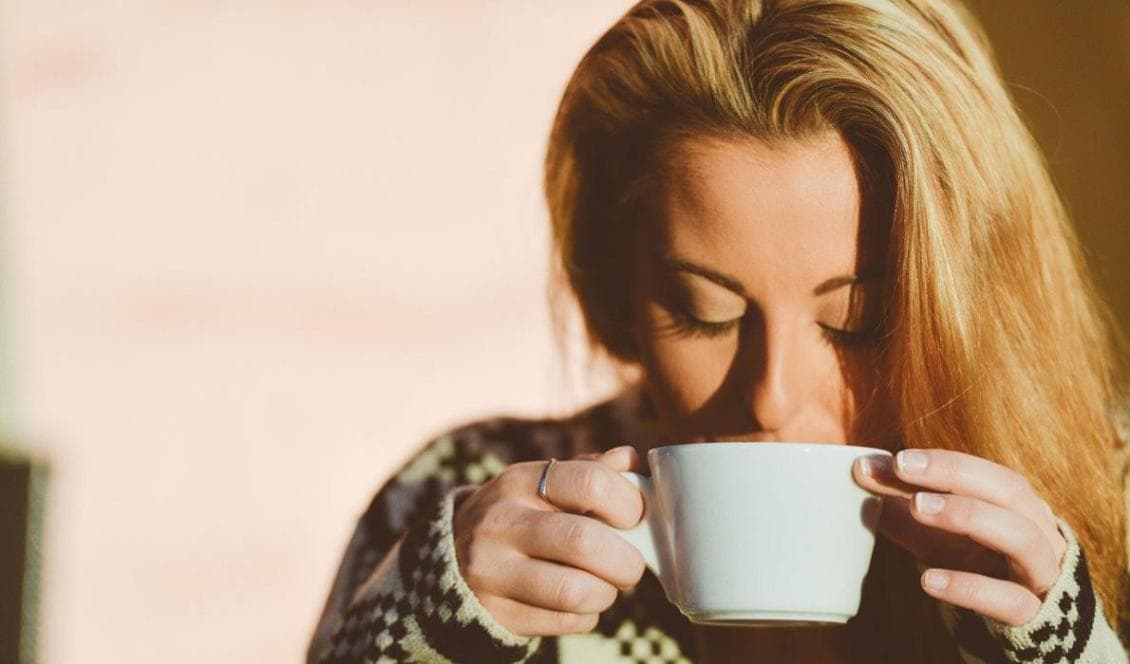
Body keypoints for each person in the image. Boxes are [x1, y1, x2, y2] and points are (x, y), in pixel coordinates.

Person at [307, 0, 1130, 661]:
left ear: (974, 298)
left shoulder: (1112, 495)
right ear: (621, 293)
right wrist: (418, 637)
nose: (771, 398)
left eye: (857, 322)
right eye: (707, 314)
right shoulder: (466, 492)